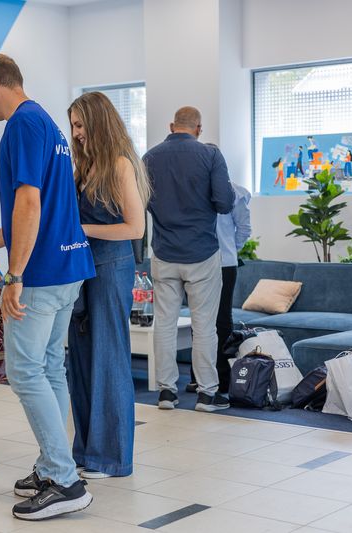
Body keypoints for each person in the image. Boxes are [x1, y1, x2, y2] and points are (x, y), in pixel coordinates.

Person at [0, 53, 95, 520]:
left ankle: (65, 480)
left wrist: (14, 274)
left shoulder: (21, 124)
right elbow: (38, 207)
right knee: (49, 369)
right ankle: (50, 465)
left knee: (24, 373)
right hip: (70, 267)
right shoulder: (46, 122)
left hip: (40, 274)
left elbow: (28, 200)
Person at [66, 92, 150, 479]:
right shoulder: (83, 165)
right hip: (82, 269)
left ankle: (112, 457)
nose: (76, 133)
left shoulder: (119, 165)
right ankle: (86, 451)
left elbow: (135, 228)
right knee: (80, 361)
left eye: (81, 125)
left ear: (98, 122)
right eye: (73, 126)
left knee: (108, 359)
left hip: (112, 266)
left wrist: (84, 229)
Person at [143, 106, 235, 412]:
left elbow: (140, 204)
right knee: (204, 326)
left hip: (164, 253)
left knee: (165, 324)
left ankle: (166, 392)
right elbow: (224, 203)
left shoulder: (149, 158)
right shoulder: (210, 156)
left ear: (172, 126)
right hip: (201, 254)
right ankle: (207, 394)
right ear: (198, 128)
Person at [186, 147, 251, 394]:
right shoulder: (195, 192)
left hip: (224, 265)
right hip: (198, 262)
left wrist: (227, 251)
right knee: (199, 321)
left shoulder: (237, 193)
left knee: (222, 320)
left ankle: (222, 378)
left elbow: (244, 229)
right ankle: (198, 377)